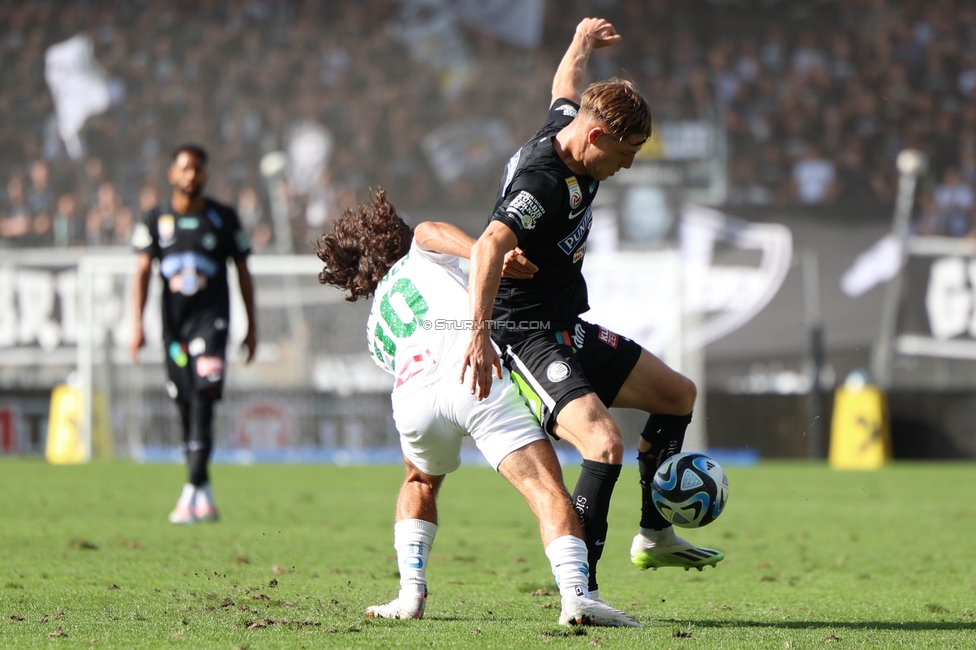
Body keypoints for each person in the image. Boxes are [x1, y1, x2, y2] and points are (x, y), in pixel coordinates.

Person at [461, 17, 723, 602]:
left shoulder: (570, 125)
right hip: (523, 333)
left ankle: (655, 534)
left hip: (564, 326)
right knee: (603, 444)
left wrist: (580, 42)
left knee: (678, 395)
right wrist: (478, 337)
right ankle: (583, 590)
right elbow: (486, 246)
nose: (629, 165)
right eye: (627, 153)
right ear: (598, 137)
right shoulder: (543, 183)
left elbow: (565, 86)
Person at [315, 189, 640, 628]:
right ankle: (576, 597)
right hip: (473, 373)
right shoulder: (419, 251)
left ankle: (410, 595)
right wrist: (488, 252)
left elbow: (396, 361)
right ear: (391, 235)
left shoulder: (374, 329)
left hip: (413, 397)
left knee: (418, 481)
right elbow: (431, 231)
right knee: (546, 490)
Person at [129, 144, 258, 524]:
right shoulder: (154, 220)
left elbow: (244, 273)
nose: (191, 175)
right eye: (184, 168)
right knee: (185, 403)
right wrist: (136, 325)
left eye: (197, 169)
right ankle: (203, 492)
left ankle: (190, 490)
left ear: (205, 175)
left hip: (213, 323)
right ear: (172, 174)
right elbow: (140, 272)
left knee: (204, 398)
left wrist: (252, 327)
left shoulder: (224, 218)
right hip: (174, 331)